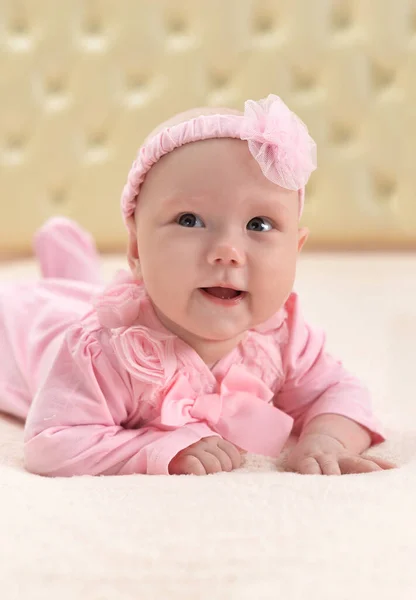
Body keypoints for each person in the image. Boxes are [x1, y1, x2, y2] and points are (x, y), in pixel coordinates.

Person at [0, 94, 395, 477]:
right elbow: (52, 442)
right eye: (189, 220)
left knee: (80, 294)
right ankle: (64, 265)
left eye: (259, 224)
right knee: (50, 311)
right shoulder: (106, 350)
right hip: (23, 330)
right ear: (137, 247)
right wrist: (157, 450)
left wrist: (327, 438)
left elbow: (341, 392)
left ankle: (69, 263)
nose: (227, 251)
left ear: (296, 248)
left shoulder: (282, 336)